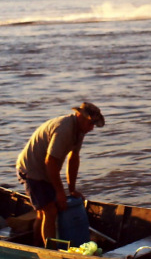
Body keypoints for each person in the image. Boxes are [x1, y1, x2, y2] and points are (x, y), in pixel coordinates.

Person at [15, 102, 105, 247]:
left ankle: (37, 244)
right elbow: (50, 162)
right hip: (31, 169)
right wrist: (60, 192)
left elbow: (73, 158)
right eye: (90, 123)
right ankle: (50, 251)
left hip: (46, 170)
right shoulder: (64, 129)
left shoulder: (79, 131)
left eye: (94, 124)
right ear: (79, 116)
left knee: (43, 212)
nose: (92, 128)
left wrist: (72, 189)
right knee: (49, 211)